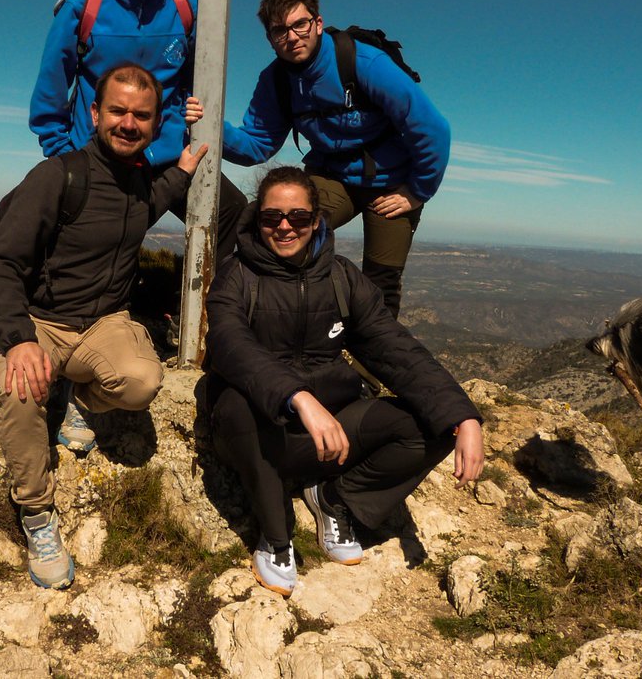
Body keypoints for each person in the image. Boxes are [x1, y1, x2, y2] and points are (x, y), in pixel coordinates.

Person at [0, 64, 208, 590]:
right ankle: (37, 514)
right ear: (96, 114)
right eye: (119, 111)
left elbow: (147, 207)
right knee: (19, 393)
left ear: (154, 123)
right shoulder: (57, 177)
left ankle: (82, 398)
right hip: (40, 322)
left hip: (103, 324)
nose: (129, 123)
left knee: (142, 381)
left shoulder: (138, 184)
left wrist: (186, 168)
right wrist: (18, 339)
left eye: (141, 115)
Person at [203, 166, 482, 596]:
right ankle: (276, 538)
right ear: (257, 219)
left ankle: (336, 499)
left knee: (431, 423)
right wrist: (298, 397)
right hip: (257, 428)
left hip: (328, 432)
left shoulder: (341, 277)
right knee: (238, 403)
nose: (284, 226)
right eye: (271, 216)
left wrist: (463, 416)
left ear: (316, 220)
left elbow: (394, 348)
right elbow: (230, 345)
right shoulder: (236, 276)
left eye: (298, 217)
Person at [190, 0, 448, 319]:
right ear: (270, 38)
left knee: (381, 282)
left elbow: (431, 128)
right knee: (268, 229)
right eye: (280, 30)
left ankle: (372, 361)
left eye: (300, 24)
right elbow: (256, 144)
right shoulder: (277, 80)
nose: (292, 36)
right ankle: (282, 324)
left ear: (318, 23)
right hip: (333, 175)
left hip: (392, 181)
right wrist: (208, 125)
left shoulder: (363, 62)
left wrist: (418, 190)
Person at [30, 0, 245, 270]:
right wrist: (65, 156)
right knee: (90, 253)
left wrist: (195, 107)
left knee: (235, 215)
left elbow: (202, 77)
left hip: (167, 157)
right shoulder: (84, 6)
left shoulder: (186, 7)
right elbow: (51, 89)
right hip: (98, 156)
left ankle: (202, 314)